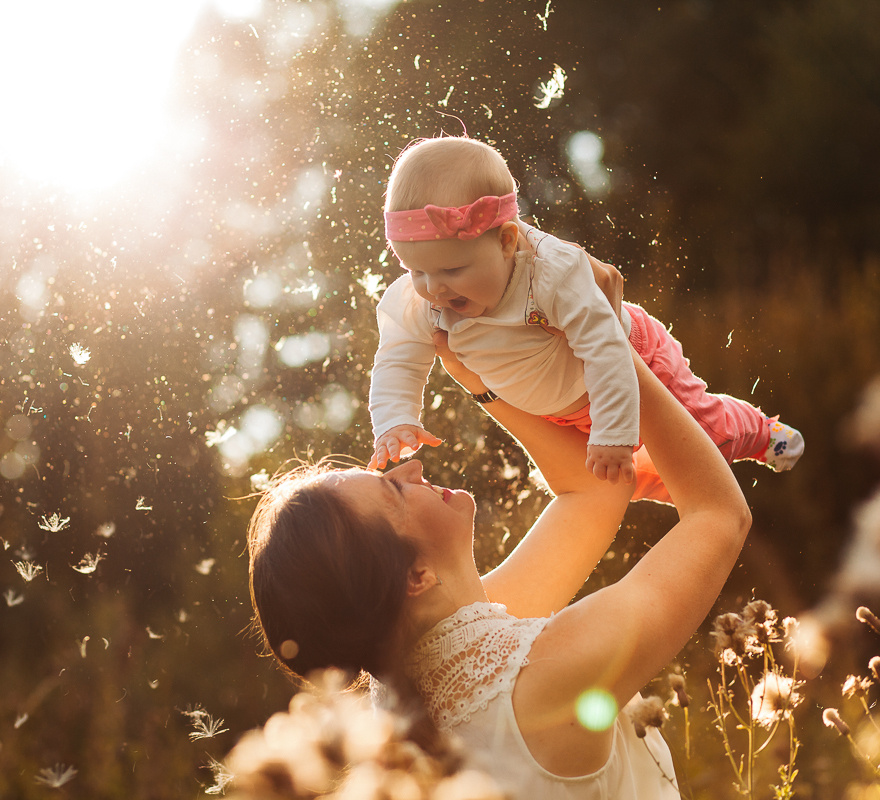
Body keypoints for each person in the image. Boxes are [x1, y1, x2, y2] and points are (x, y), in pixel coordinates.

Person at [247, 341, 753, 798]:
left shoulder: (418, 682)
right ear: (414, 577)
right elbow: (720, 516)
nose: (411, 468)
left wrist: (483, 379)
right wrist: (610, 347)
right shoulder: (548, 675)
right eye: (394, 490)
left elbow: (595, 489)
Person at [368, 136, 802, 502]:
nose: (433, 288)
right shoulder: (420, 299)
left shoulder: (551, 274)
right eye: (416, 270)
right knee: (632, 483)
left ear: (505, 241)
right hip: (568, 411)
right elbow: (397, 358)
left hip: (631, 364)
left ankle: (760, 432)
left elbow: (605, 347)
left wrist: (613, 432)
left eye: (451, 271)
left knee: (706, 444)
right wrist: (395, 420)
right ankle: (700, 489)